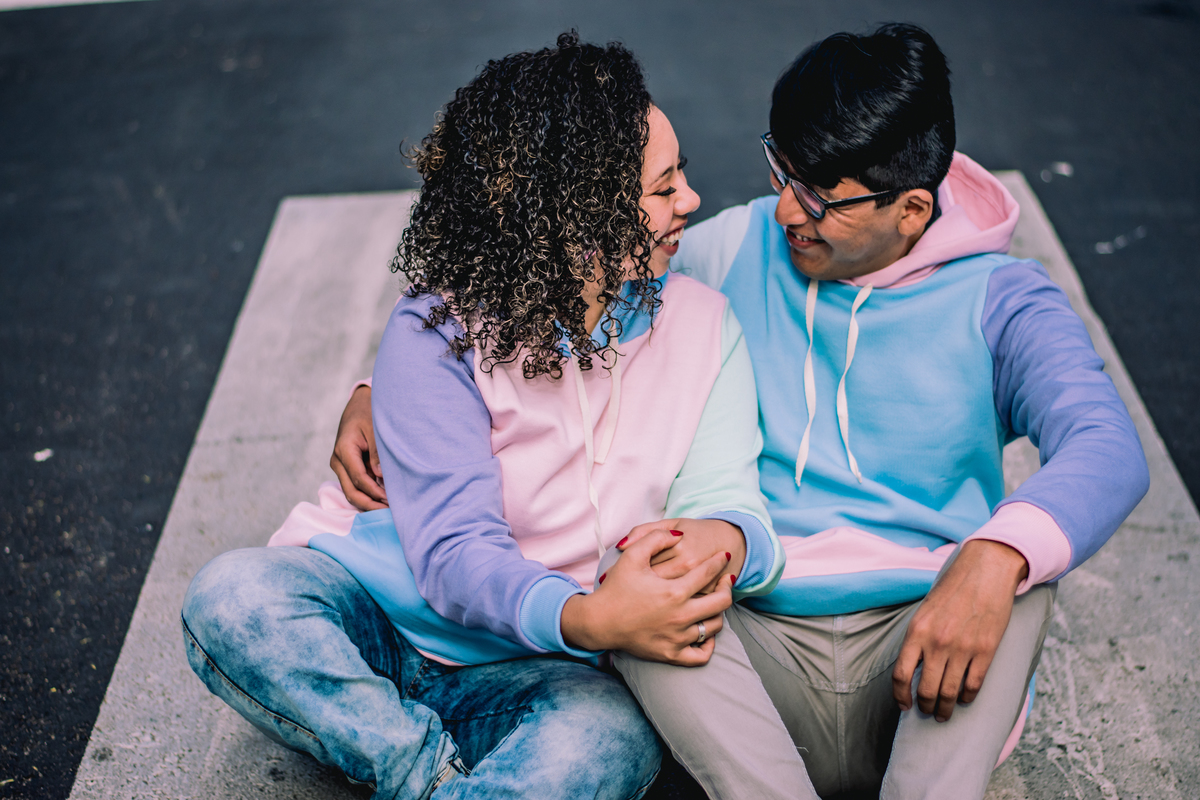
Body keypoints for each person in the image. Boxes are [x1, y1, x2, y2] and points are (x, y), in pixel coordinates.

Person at [336, 21, 1149, 800]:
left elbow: (1106, 446)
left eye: (820, 199)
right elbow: (561, 279)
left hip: (923, 650)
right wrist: (388, 388)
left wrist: (995, 557)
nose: (787, 211)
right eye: (781, 172)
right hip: (753, 654)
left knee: (1023, 569)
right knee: (642, 580)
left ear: (909, 209)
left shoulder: (1006, 301)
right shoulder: (737, 248)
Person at [182, 32, 785, 800]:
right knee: (234, 597)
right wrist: (589, 619)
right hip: (379, 618)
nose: (690, 201)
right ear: (575, 218)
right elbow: (455, 553)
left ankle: (394, 754)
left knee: (609, 739)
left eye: (681, 175)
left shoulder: (702, 325)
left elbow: (728, 500)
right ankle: (420, 769)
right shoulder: (438, 328)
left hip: (539, 668)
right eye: (662, 189)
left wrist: (719, 547)